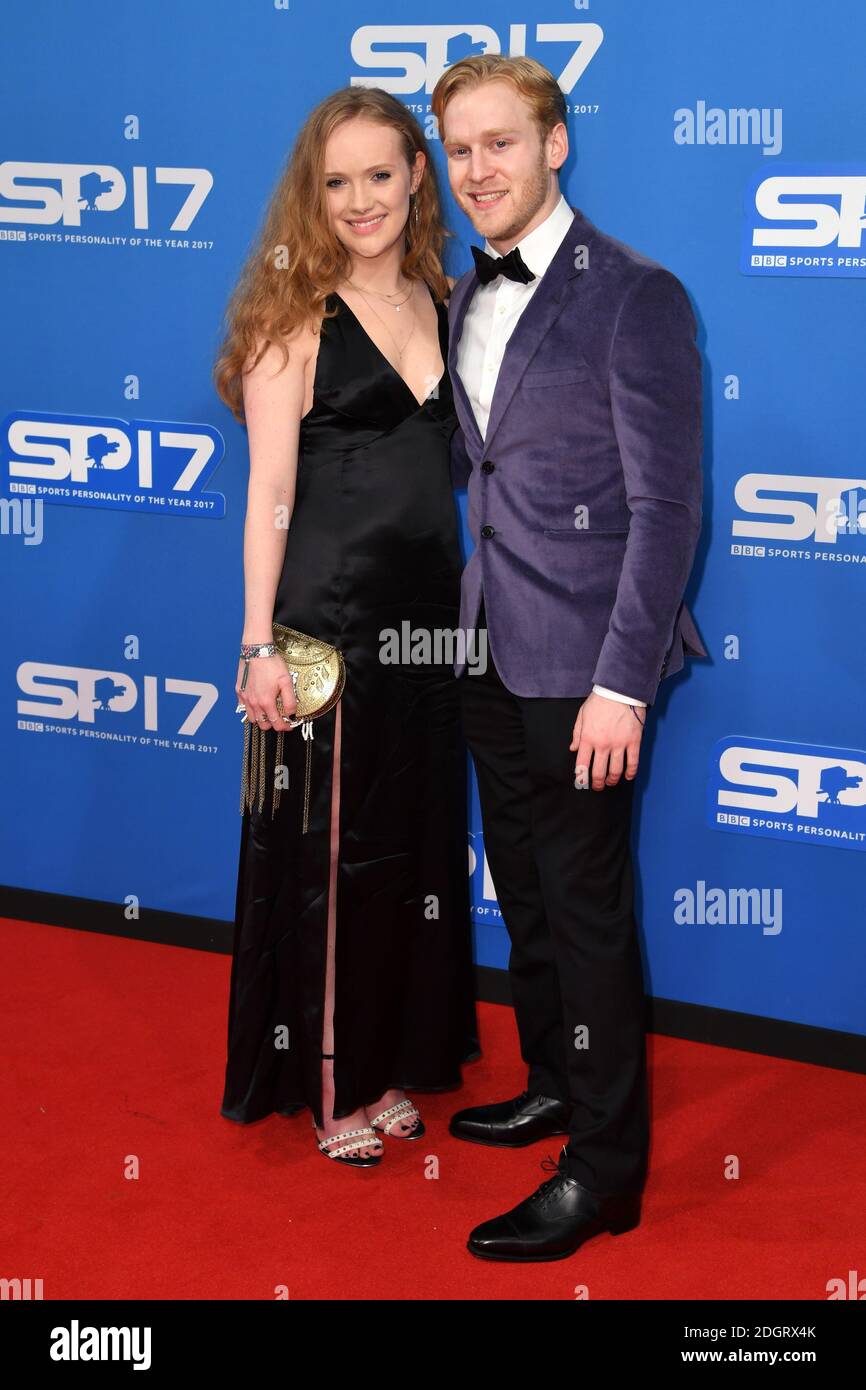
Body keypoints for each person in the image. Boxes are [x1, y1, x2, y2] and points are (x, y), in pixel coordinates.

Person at [432, 55, 706, 1257]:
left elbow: (666, 512)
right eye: (458, 149)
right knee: (530, 891)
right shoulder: (457, 294)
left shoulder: (633, 294)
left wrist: (619, 683)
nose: (475, 170)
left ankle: (602, 1171)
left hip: (588, 668)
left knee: (587, 913)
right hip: (486, 645)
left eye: (499, 143)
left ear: (555, 146)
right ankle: (551, 1078)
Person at [213, 86, 479, 1167]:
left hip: (430, 628)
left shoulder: (439, 292)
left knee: (411, 848)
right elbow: (269, 487)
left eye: (380, 174)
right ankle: (332, 1085)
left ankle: (395, 1051)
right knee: (334, 862)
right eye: (335, 182)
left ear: (418, 175)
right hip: (327, 626)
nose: (359, 199)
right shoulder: (293, 317)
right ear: (309, 196)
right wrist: (256, 641)